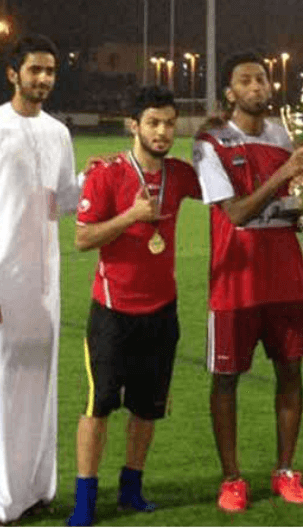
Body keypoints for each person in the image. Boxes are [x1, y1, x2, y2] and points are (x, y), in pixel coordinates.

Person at [0, 34, 79, 526]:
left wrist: (104, 181)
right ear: (13, 74)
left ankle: (31, 489)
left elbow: (62, 200)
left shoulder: (58, 133)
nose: (43, 79)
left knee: (38, 387)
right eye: (35, 71)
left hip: (44, 286)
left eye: (50, 71)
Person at [66, 86, 201, 526]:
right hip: (112, 310)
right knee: (98, 406)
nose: (163, 132)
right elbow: (82, 239)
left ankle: (131, 490)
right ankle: (85, 501)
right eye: (153, 123)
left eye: (169, 123)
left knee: (147, 408)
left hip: (162, 311)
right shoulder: (106, 173)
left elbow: (224, 189)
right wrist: (129, 217)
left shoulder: (180, 175)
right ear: (133, 125)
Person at [191, 52, 303, 512]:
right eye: (246, 79)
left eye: (262, 78)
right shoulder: (210, 141)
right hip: (235, 282)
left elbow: (301, 200)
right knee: (226, 381)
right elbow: (236, 213)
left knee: (291, 374)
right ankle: (232, 479)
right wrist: (283, 174)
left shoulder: (289, 135)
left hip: (285, 278)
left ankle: (285, 470)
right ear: (230, 92)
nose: (257, 85)